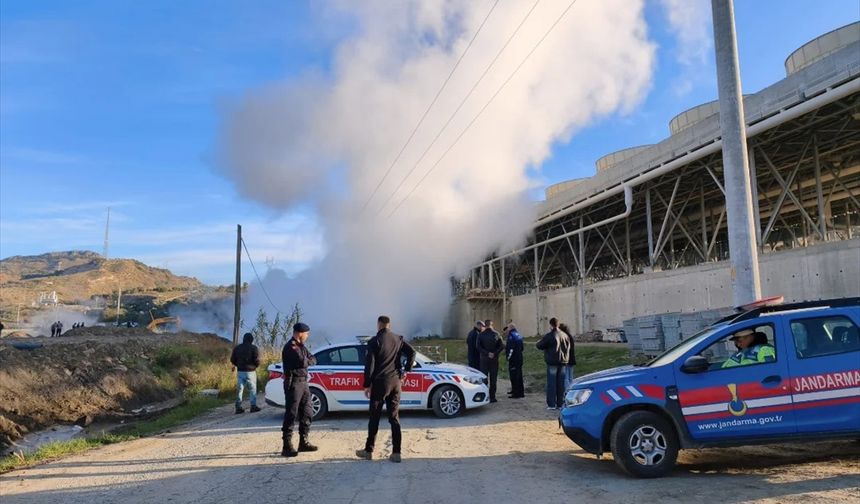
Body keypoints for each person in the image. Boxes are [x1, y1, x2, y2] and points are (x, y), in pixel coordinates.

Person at [356, 315, 416, 463]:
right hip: (395, 382)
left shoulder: (374, 341)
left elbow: (369, 365)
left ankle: (369, 451)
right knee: (394, 418)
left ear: (379, 324)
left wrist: (366, 384)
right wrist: (406, 370)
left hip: (379, 384)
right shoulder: (398, 339)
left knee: (374, 417)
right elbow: (412, 352)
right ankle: (396, 453)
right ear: (389, 325)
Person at [281, 322, 318, 457]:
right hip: (294, 383)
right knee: (291, 414)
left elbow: (313, 359)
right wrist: (307, 361)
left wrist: (307, 360)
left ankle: (303, 442)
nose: (307, 336)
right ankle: (287, 445)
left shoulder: (301, 347)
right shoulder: (291, 347)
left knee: (307, 412)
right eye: (306, 334)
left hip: (304, 383)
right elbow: (302, 362)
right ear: (300, 333)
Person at [536, 317, 570, 410]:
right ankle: (560, 403)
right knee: (561, 383)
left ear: (551, 325)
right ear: (558, 324)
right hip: (563, 361)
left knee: (552, 383)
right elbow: (568, 348)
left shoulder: (550, 335)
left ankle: (551, 404)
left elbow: (540, 345)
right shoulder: (565, 335)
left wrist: (538, 342)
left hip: (552, 361)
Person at [230, 332, 261, 414]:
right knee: (252, 389)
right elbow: (257, 360)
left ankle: (238, 407)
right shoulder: (254, 348)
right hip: (251, 371)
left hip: (240, 371)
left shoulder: (237, 348)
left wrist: (238, 365)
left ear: (243, 339)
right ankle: (253, 406)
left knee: (240, 389)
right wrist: (255, 366)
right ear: (251, 340)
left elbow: (232, 359)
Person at [477, 319, 503, 403]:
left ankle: (484, 396)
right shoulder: (496, 334)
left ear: (485, 325)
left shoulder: (481, 335)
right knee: (493, 378)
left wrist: (487, 353)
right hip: (494, 359)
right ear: (492, 325)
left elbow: (478, 347)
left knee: (484, 378)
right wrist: (494, 353)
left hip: (484, 359)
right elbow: (502, 346)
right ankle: (492, 397)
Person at [505, 323, 524, 399]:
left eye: (507, 328)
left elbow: (510, 349)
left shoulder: (511, 336)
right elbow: (522, 348)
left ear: (510, 328)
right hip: (519, 358)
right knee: (519, 376)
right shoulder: (518, 335)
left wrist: (508, 358)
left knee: (514, 376)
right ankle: (520, 392)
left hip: (514, 359)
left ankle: (516, 393)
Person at [558, 323, 576, 388]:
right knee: (570, 377)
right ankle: (572, 390)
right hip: (571, 358)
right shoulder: (569, 336)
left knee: (566, 377)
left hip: (565, 359)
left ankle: (567, 391)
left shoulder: (563, 337)